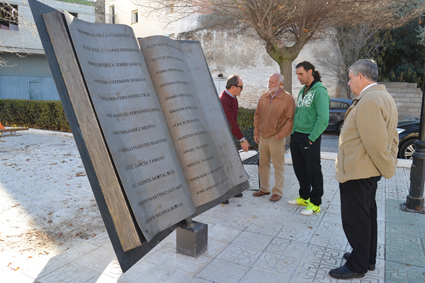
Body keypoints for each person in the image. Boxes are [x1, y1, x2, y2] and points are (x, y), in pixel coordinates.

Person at [329, 59, 399, 280]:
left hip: (359, 172)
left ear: (360, 77)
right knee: (367, 217)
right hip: (365, 172)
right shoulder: (382, 96)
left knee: (356, 220)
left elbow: (376, 143)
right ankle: (366, 258)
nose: (349, 83)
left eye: (350, 78)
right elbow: (393, 137)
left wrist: (388, 168)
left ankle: (357, 266)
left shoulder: (369, 100)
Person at [288, 61, 329, 215]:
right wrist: (293, 132)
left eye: (301, 74)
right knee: (300, 169)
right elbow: (298, 114)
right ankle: (304, 196)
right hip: (296, 135)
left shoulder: (320, 92)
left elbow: (323, 118)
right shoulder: (303, 91)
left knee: (313, 170)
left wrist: (311, 139)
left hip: (309, 137)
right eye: (297, 74)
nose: (298, 77)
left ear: (310, 72)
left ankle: (315, 202)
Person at [252, 73, 295, 202]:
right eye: (269, 81)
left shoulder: (288, 99)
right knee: (263, 165)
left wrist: (280, 135)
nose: (269, 84)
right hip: (263, 137)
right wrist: (256, 132)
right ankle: (264, 188)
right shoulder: (263, 97)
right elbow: (257, 115)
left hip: (276, 138)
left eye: (272, 82)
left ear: (280, 84)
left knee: (278, 166)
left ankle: (278, 191)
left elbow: (290, 120)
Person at [219, 75, 248, 204]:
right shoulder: (224, 100)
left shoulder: (233, 98)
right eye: (241, 87)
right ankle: (223, 194)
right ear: (233, 87)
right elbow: (231, 122)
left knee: (232, 163)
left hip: (229, 136)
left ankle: (234, 189)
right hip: (222, 137)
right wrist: (242, 138)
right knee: (224, 165)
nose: (242, 90)